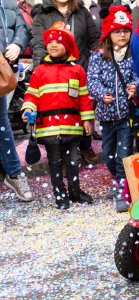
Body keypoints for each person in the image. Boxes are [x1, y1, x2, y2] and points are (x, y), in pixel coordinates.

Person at [22, 22, 95, 209]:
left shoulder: (77, 70)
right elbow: (31, 94)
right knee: (55, 161)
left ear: (68, 47)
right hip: (49, 126)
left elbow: (84, 97)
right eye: (50, 41)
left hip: (72, 124)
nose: (53, 45)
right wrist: (28, 109)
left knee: (74, 159)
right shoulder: (39, 71)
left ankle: (75, 191)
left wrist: (87, 119)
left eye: (59, 42)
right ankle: (60, 194)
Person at [31, 0, 101, 164]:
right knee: (60, 111)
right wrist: (40, 72)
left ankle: (85, 145)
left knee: (83, 107)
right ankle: (60, 154)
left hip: (80, 68)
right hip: (54, 74)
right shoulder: (42, 14)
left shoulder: (82, 11)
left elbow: (93, 40)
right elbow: (39, 46)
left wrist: (100, 61)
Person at [87, 5, 135, 212]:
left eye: (125, 30)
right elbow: (92, 80)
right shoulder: (98, 56)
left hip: (126, 116)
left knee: (124, 153)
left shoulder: (134, 55)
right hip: (106, 117)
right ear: (109, 33)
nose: (122, 35)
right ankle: (119, 181)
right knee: (108, 155)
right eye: (117, 31)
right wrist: (100, 94)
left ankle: (121, 188)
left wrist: (136, 87)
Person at [0, 0, 33, 202]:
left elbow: (22, 27)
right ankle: (13, 173)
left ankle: (14, 174)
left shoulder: (8, 3)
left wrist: (17, 44)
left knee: (2, 122)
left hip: (2, 67)